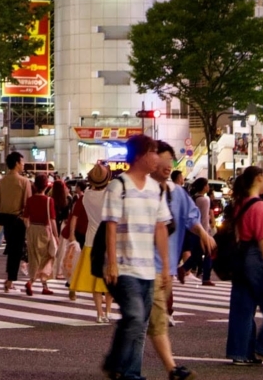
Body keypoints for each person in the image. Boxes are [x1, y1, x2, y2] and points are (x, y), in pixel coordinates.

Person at [102, 135, 172, 380]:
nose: (158, 157)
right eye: (154, 152)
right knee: (133, 315)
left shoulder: (155, 189)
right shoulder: (118, 186)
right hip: (123, 266)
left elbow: (160, 227)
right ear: (142, 155)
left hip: (147, 268)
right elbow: (111, 225)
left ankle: (129, 372)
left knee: (140, 323)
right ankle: (115, 363)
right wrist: (111, 263)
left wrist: (165, 267)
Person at [149, 141, 214, 380]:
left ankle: (122, 365)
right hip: (141, 266)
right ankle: (170, 369)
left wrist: (204, 233)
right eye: (163, 160)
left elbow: (189, 218)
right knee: (151, 322)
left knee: (144, 323)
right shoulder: (141, 189)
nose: (168, 166)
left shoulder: (177, 193)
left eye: (170, 161)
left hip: (163, 267)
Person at [225, 166, 263, 365]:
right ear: (259, 178)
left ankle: (240, 352)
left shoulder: (240, 203)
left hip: (240, 257)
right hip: (255, 258)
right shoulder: (260, 205)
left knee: (242, 308)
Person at [70, 164, 114, 321]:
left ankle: (99, 313)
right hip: (109, 241)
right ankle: (108, 311)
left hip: (90, 241)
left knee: (95, 280)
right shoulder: (110, 195)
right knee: (110, 279)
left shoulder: (86, 195)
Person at [0, 151, 32, 293]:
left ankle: (10, 280)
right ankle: (10, 281)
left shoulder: (2, 181)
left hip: (5, 219)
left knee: (12, 250)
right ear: (17, 163)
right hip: (19, 219)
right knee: (16, 251)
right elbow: (27, 203)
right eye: (22, 163)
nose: (23, 166)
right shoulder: (24, 181)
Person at [23, 173, 59, 296]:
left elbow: (25, 218)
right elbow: (52, 220)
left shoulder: (30, 200)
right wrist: (56, 236)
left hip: (32, 229)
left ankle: (43, 285)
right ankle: (32, 281)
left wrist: (29, 229)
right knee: (48, 256)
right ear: (46, 186)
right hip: (44, 230)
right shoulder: (49, 201)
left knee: (34, 258)